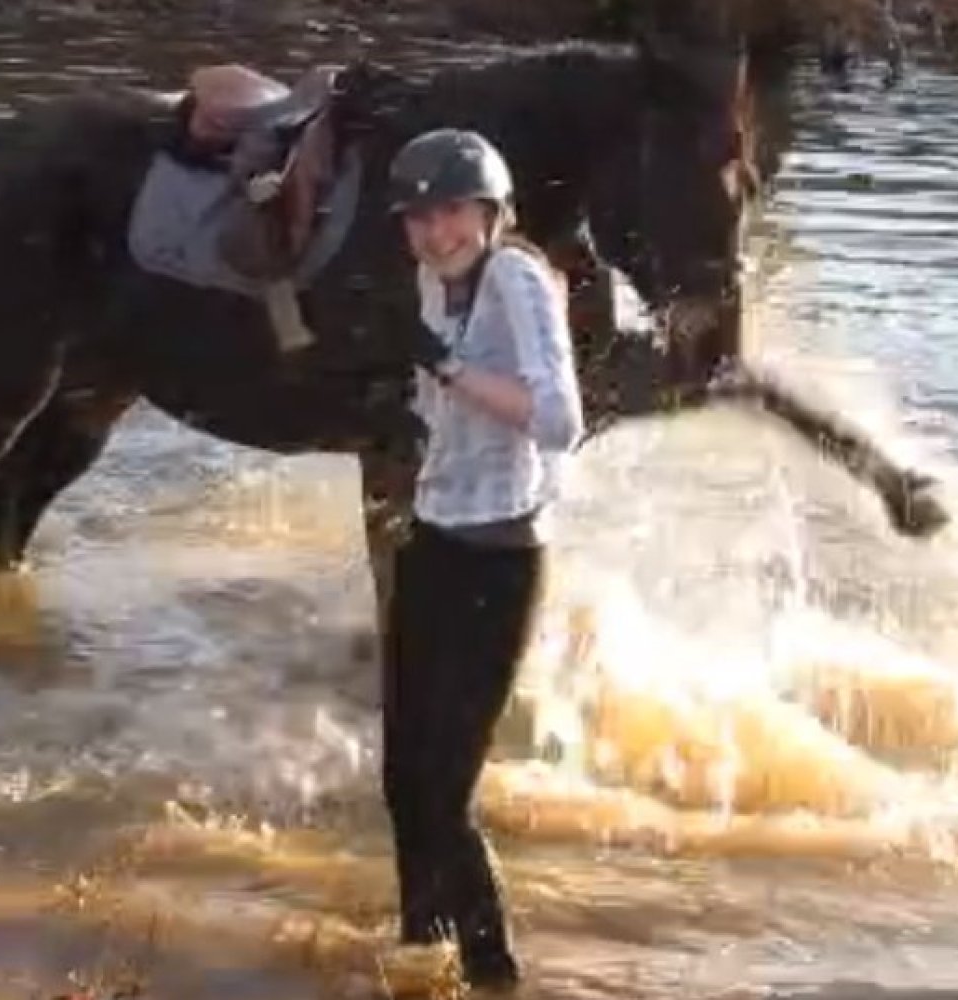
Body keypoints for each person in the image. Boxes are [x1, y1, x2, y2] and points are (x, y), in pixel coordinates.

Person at [379, 126, 586, 992]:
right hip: (430, 541)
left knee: (447, 790)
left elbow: (559, 420)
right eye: (419, 217)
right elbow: (440, 409)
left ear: (491, 212)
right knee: (399, 773)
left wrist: (444, 365)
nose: (436, 234)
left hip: (501, 559)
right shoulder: (431, 282)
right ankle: (421, 952)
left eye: (453, 212)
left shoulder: (516, 278)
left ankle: (494, 973)